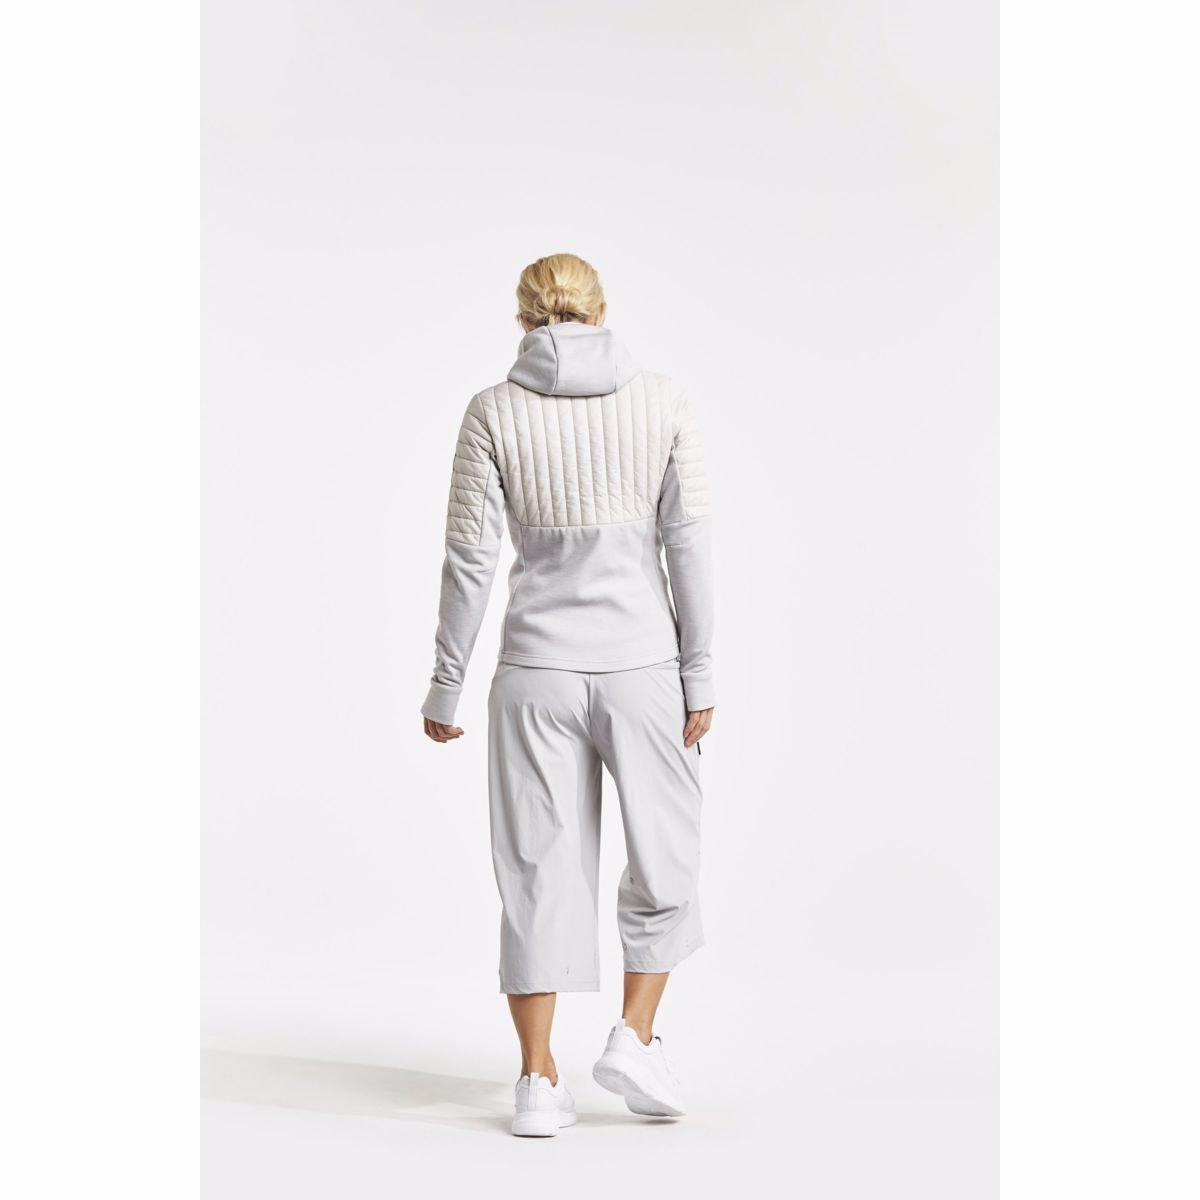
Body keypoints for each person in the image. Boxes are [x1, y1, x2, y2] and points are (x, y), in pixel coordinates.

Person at [420, 253, 715, 1137]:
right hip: (644, 670)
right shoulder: (663, 400)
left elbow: (470, 559)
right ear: (602, 310)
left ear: (523, 321)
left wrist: (446, 683)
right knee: (665, 858)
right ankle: (635, 1036)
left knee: (537, 871)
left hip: (534, 674)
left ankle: (538, 1082)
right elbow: (688, 545)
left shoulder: (492, 411)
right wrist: (699, 672)